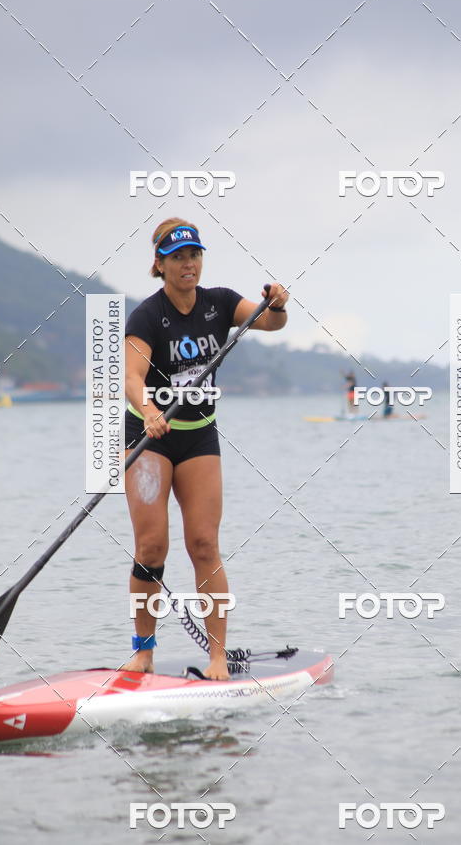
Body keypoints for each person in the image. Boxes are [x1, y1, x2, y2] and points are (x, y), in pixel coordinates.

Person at [123, 218, 288, 679]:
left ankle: (218, 657)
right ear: (160, 264)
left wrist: (278, 305)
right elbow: (132, 380)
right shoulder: (146, 317)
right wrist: (151, 410)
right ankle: (143, 650)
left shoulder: (221, 303)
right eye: (177, 257)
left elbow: (270, 322)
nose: (188, 263)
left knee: (203, 544)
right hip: (149, 437)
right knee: (152, 547)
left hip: (198, 436)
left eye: (194, 254)